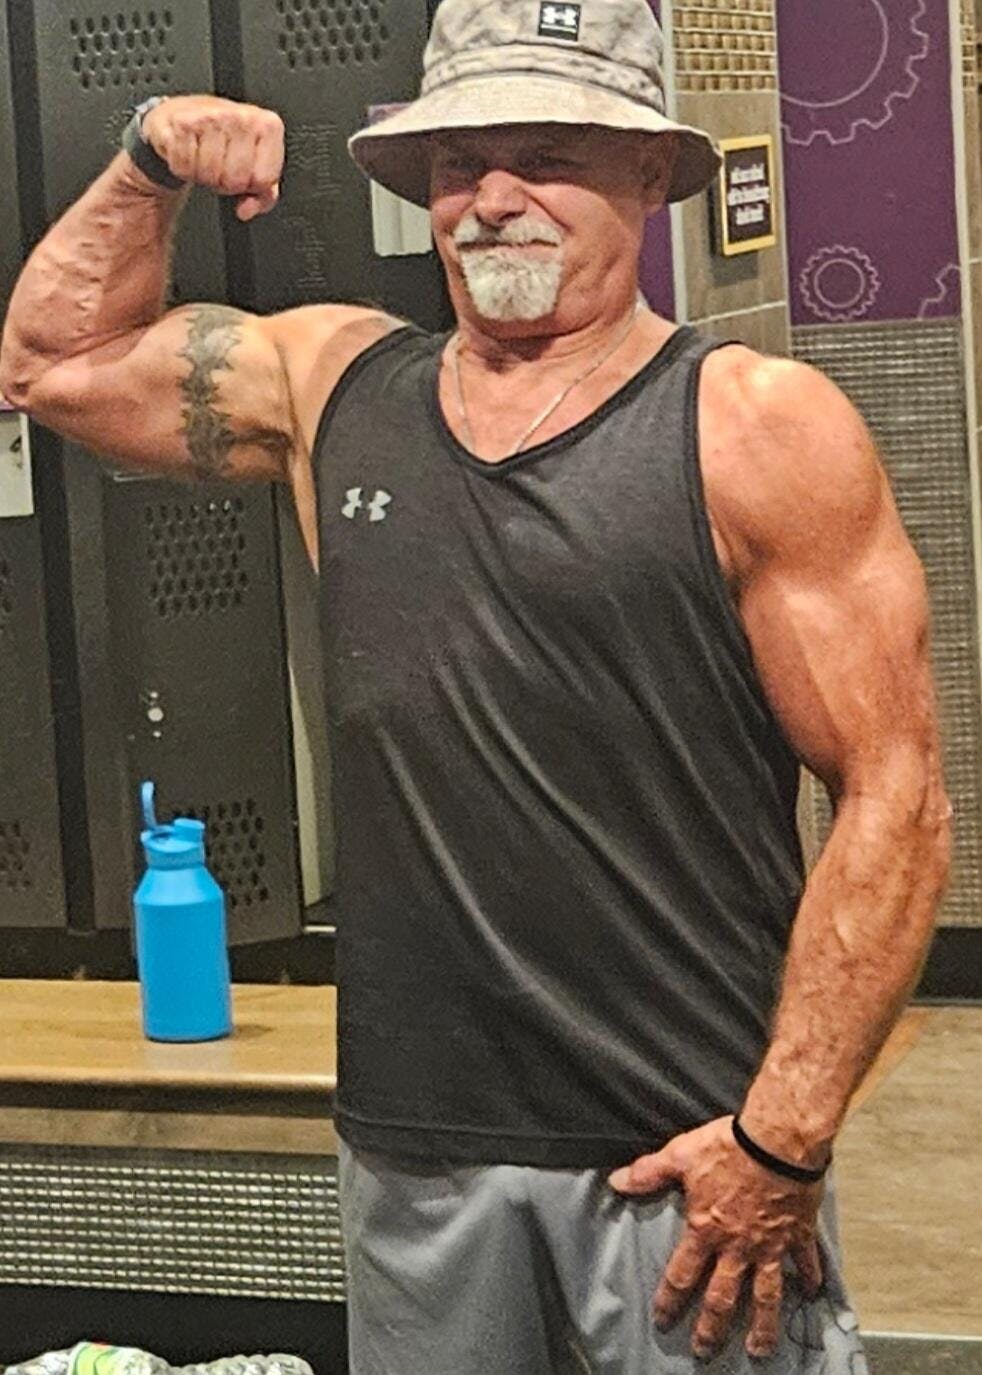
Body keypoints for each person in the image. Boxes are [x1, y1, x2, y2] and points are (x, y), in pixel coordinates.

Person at [0, 0, 953, 1370]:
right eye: (459, 162)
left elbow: (895, 798)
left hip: (684, 1151)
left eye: (548, 154)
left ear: (648, 174)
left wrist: (782, 1136)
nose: (495, 198)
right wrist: (147, 161)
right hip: (418, 1150)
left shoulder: (753, 425)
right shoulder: (332, 386)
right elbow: (55, 367)